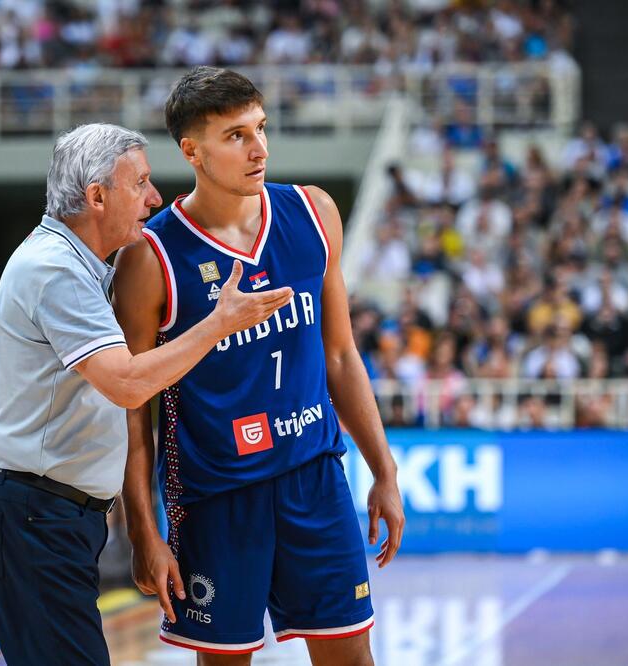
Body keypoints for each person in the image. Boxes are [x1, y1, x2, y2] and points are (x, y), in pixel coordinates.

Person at [0, 122, 292, 666]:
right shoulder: (56, 271)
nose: (156, 197)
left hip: (50, 514)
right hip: (31, 514)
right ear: (96, 197)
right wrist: (219, 323)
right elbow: (129, 382)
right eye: (140, 183)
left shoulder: (79, 264)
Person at [113, 67, 405, 664]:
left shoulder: (313, 212)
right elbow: (132, 407)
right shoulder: (150, 257)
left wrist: (385, 469)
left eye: (261, 128)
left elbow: (342, 354)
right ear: (192, 150)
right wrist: (143, 527)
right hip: (215, 495)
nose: (259, 148)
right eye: (236, 135)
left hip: (315, 479)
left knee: (352, 657)